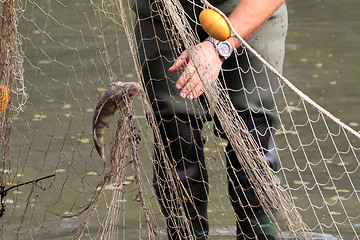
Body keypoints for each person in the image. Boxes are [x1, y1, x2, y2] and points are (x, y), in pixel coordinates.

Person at [133, 0, 288, 239]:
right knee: (176, 144)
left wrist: (219, 47)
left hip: (247, 10)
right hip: (162, 15)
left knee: (253, 148)